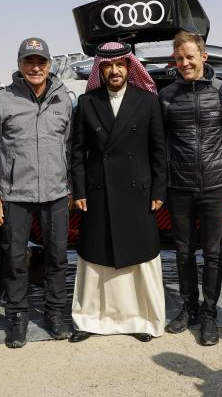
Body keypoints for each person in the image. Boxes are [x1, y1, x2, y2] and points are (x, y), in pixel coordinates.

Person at [0, 37, 72, 348]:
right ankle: (17, 316)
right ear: (19, 65)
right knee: (16, 258)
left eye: (40, 61)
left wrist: (70, 187)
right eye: (29, 61)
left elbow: (70, 148)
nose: (35, 67)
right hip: (15, 195)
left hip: (56, 194)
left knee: (57, 258)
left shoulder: (63, 100)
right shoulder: (2, 100)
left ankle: (55, 312)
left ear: (49, 65)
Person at [69, 41, 167, 343]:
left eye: (119, 65)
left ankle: (141, 319)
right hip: (98, 193)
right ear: (101, 69)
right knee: (96, 256)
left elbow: (159, 150)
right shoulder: (87, 103)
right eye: (107, 66)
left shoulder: (148, 101)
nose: (114, 70)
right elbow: (77, 152)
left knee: (138, 257)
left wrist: (159, 188)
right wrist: (80, 189)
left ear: (129, 67)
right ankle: (90, 320)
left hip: (138, 192)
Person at [159, 31, 222, 346]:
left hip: (214, 184)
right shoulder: (166, 96)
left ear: (203, 57)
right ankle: (189, 307)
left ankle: (209, 314)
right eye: (179, 58)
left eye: (190, 57)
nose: (184, 63)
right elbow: (161, 141)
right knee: (182, 252)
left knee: (213, 252)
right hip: (178, 186)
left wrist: (214, 157)